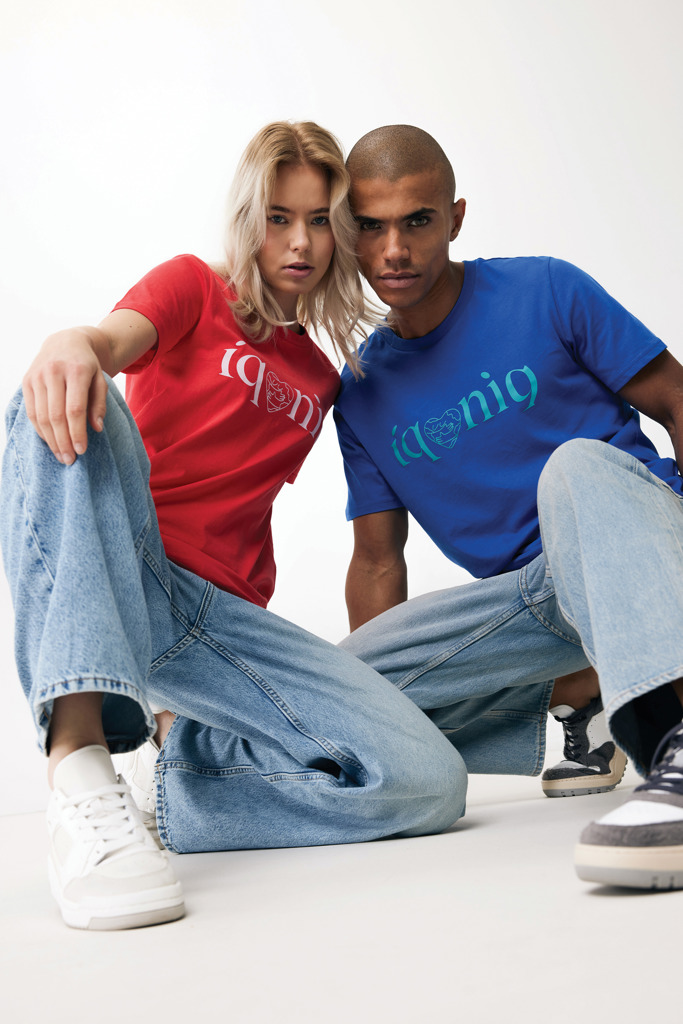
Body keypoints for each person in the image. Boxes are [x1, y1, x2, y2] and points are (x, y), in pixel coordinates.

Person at [0, 121, 465, 932]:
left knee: (427, 780)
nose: (299, 242)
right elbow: (111, 342)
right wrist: (74, 341)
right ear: (250, 218)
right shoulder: (192, 287)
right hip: (130, 564)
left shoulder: (321, 376)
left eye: (318, 221)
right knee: (70, 391)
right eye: (278, 218)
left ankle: (179, 790)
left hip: (221, 619)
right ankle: (80, 770)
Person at [334, 124, 683, 889]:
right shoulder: (360, 393)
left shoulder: (544, 289)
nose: (394, 249)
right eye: (370, 226)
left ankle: (671, 741)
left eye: (417, 221)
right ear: (343, 231)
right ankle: (586, 693)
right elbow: (377, 561)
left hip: (639, 540)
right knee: (330, 701)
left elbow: (674, 398)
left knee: (572, 468)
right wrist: (372, 706)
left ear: (454, 219)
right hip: (534, 608)